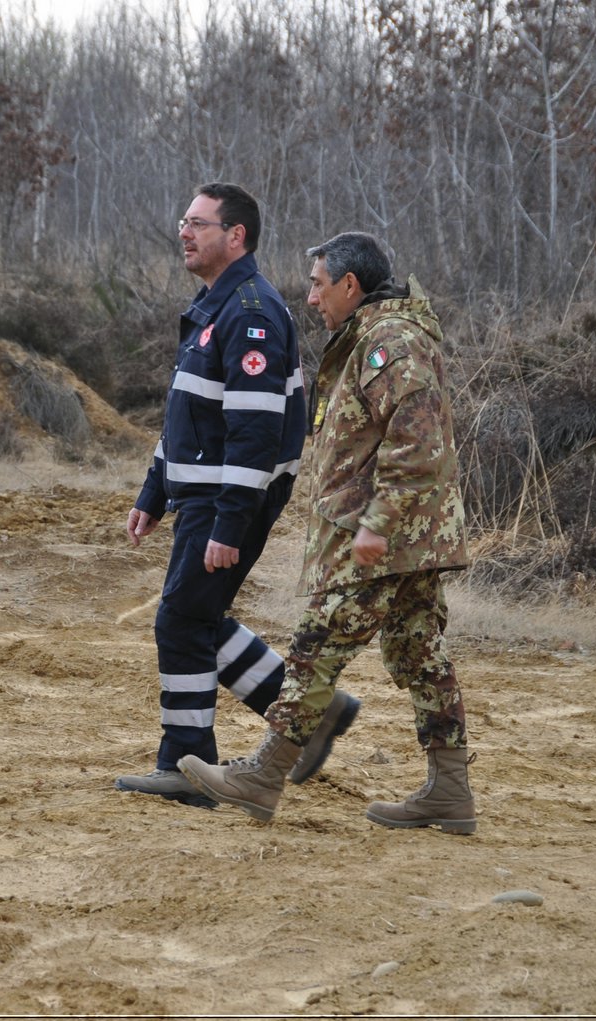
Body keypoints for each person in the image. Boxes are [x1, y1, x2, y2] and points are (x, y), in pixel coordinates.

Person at [177, 232, 476, 831]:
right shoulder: (371, 337)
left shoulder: (389, 343)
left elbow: (417, 442)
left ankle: (262, 777)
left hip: (387, 540)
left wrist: (377, 524)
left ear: (349, 285)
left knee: (318, 646)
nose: (310, 298)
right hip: (408, 539)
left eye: (317, 285)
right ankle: (449, 790)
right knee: (420, 653)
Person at [115, 183, 360, 807]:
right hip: (201, 493)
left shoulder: (250, 311)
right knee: (194, 617)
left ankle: (185, 764)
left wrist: (228, 522)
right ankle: (312, 714)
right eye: (183, 222)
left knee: (180, 619)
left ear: (236, 236)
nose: (184, 233)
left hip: (230, 497)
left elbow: (253, 434)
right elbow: (188, 416)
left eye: (198, 223)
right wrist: (154, 490)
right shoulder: (215, 305)